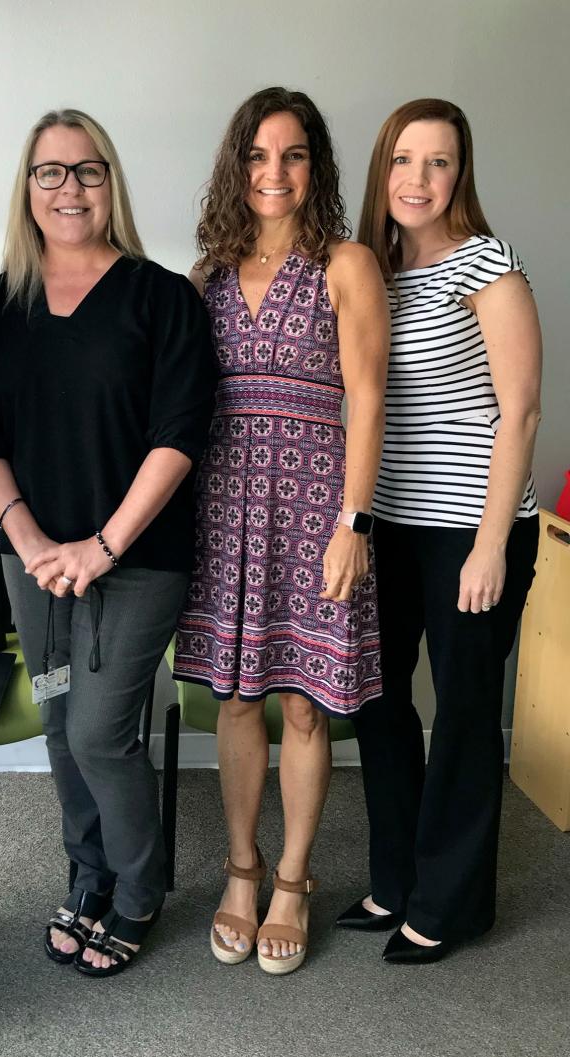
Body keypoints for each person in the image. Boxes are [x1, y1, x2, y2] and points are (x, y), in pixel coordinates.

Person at [0, 108, 216, 977]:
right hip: (34, 563)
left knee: (105, 732)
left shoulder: (163, 295)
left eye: (89, 170)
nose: (70, 188)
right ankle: (89, 870)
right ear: (26, 191)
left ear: (113, 182)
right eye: (50, 173)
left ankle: (140, 889)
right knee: (62, 720)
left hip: (136, 559)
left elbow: (179, 434)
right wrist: (29, 539)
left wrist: (101, 546)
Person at [173, 87, 390, 975]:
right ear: (237, 166)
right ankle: (241, 868)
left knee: (303, 702)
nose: (274, 172)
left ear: (316, 166)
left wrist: (354, 521)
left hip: (316, 515)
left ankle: (293, 879)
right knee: (234, 698)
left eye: (293, 154)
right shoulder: (205, 276)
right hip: (225, 512)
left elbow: (370, 397)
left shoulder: (346, 264)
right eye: (258, 155)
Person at [336, 99, 541, 963]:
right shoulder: (369, 268)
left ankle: (452, 903)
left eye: (440, 162)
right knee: (379, 705)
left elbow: (520, 412)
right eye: (404, 160)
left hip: (471, 527)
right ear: (382, 169)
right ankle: (394, 879)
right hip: (386, 523)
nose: (419, 179)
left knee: (460, 710)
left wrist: (492, 542)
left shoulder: (484, 262)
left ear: (462, 173)